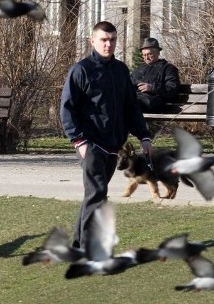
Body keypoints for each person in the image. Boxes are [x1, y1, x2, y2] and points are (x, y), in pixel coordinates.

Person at [60, 21, 152, 248]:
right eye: (103, 39)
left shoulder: (121, 71)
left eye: (112, 40)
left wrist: (144, 136)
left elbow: (131, 107)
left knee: (94, 195)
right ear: (92, 41)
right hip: (90, 145)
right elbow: (67, 108)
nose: (108, 44)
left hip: (114, 146)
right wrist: (79, 141)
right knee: (98, 193)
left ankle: (78, 244)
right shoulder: (81, 70)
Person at [131, 37, 180, 113]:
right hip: (136, 99)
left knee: (129, 104)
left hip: (154, 102)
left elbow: (172, 89)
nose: (146, 58)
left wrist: (152, 87)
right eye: (144, 55)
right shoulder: (139, 69)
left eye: (150, 54)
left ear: (158, 53)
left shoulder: (168, 68)